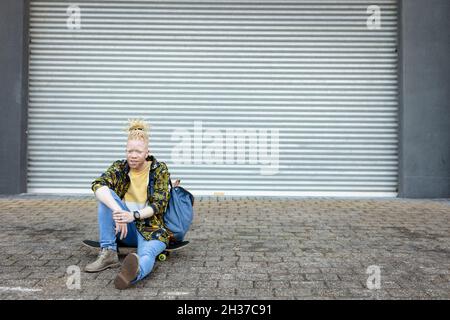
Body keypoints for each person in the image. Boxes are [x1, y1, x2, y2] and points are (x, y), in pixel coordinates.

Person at [84, 119, 172, 290]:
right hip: (125, 228)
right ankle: (109, 252)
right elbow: (97, 185)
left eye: (138, 151)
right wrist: (118, 212)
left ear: (147, 152)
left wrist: (133, 215)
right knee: (105, 196)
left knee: (147, 254)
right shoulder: (120, 167)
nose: (132, 155)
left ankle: (133, 274)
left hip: (151, 229)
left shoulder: (159, 169)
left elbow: (159, 204)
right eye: (129, 151)